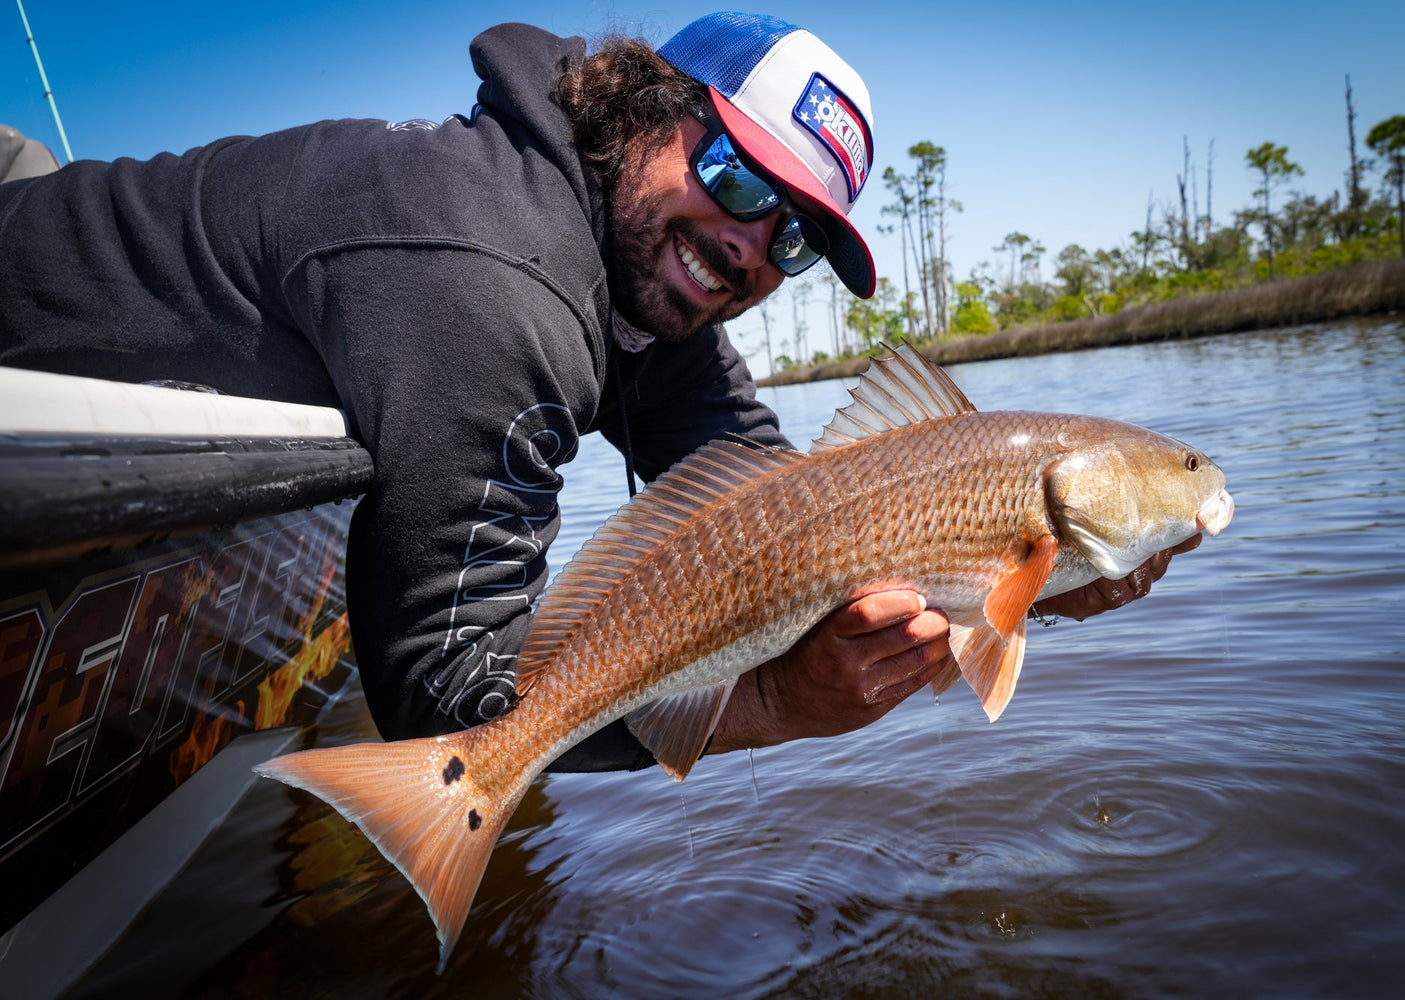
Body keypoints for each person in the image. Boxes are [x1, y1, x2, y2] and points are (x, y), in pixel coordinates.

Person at [0, 12, 1191, 769]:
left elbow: (778, 501)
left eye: (791, 242)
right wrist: (772, 703)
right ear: (649, 115)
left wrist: (1018, 578)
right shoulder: (491, 279)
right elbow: (451, 705)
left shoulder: (636, 267)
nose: (744, 244)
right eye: (731, 172)